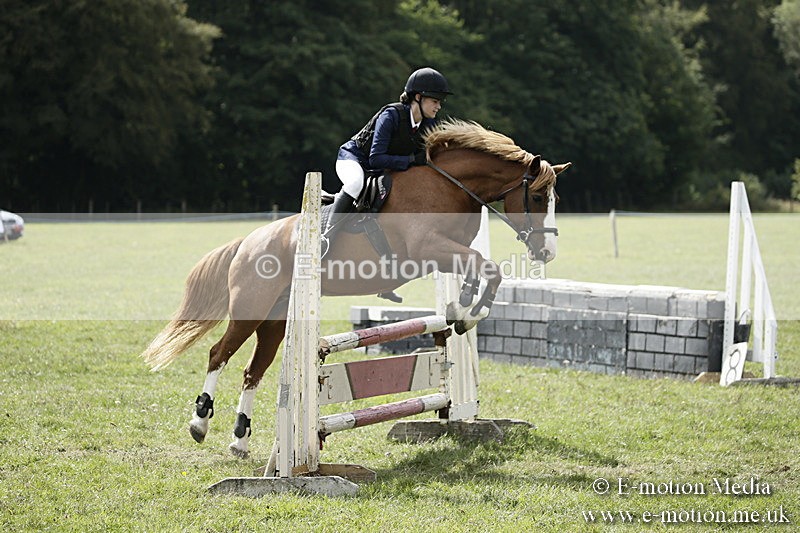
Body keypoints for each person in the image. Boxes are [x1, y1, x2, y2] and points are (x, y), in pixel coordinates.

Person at [323, 67, 452, 250]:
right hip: (354, 159)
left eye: (439, 102)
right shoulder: (390, 115)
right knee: (355, 184)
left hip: (381, 168)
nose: (438, 106)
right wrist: (410, 160)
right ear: (417, 97)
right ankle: (326, 236)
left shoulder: (429, 124)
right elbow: (376, 159)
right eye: (434, 101)